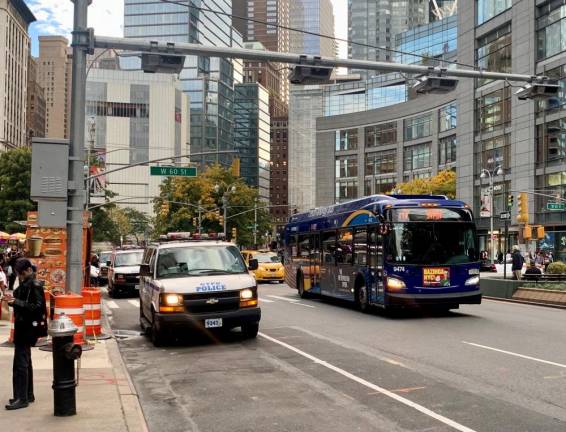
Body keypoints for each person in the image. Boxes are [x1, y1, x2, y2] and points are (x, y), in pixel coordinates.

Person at [2, 258, 47, 411]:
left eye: (21, 274)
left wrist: (16, 302)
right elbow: (23, 300)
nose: (20, 277)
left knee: (21, 363)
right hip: (25, 327)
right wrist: (13, 300)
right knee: (24, 361)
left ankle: (22, 398)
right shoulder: (27, 283)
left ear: (28, 270)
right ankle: (27, 394)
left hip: (28, 328)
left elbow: (37, 308)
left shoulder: (34, 284)